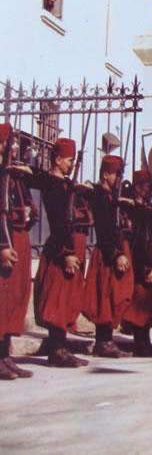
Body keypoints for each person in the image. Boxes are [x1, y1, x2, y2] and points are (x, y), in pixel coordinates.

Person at [29, 138, 92, 367]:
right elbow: (59, 222)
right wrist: (67, 252)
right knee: (58, 300)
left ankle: (60, 346)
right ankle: (56, 350)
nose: (71, 164)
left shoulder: (65, 184)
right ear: (57, 159)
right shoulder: (53, 184)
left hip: (67, 247)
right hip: (60, 248)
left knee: (67, 299)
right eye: (69, 160)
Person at [82, 155, 135, 358]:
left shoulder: (112, 196)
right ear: (105, 174)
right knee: (104, 297)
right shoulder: (100, 196)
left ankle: (106, 340)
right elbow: (104, 229)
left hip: (113, 251)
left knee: (114, 296)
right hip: (106, 253)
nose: (119, 178)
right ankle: (102, 342)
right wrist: (115, 255)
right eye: (116, 174)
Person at [0, 124, 37, 379]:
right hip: (5, 243)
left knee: (14, 302)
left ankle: (5, 356)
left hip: (17, 240)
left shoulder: (11, 176)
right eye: (5, 143)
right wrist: (2, 246)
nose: (8, 148)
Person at [121, 169, 152, 357]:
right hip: (141, 261)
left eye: (149, 188)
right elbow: (136, 242)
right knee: (140, 304)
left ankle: (145, 341)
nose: (148, 191)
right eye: (145, 187)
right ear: (137, 188)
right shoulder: (132, 210)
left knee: (150, 305)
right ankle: (140, 343)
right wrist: (144, 268)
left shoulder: (151, 210)